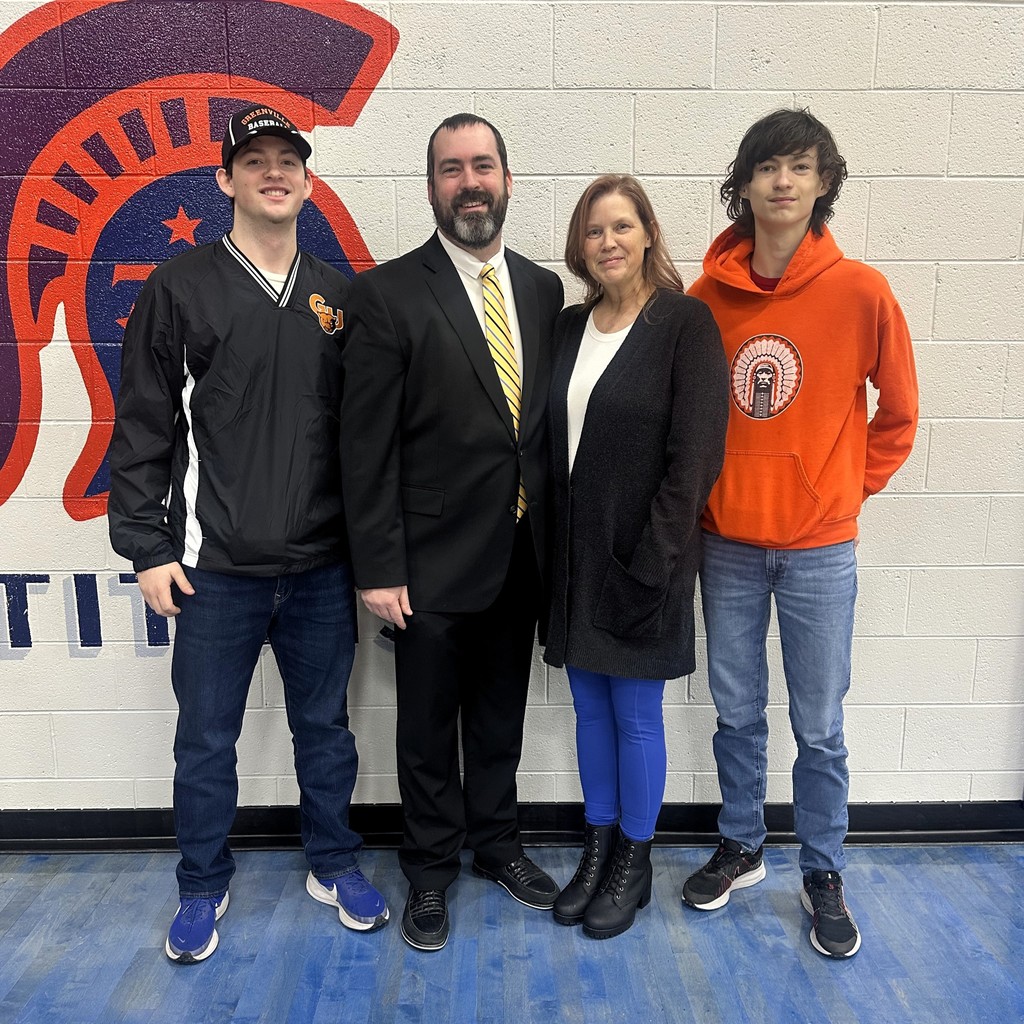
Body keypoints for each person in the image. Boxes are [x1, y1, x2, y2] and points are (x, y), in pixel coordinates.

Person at [108, 103, 388, 964]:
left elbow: (365, 441)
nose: (275, 172)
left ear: (307, 179)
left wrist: (371, 555)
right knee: (204, 739)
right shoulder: (180, 287)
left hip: (317, 570)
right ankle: (202, 882)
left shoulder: (337, 298)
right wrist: (147, 547)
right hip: (214, 571)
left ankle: (332, 861)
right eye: (254, 159)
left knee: (326, 731)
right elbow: (144, 427)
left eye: (289, 160)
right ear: (224, 179)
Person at [683, 109, 919, 958]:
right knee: (737, 712)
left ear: (824, 185)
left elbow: (900, 412)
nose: (783, 181)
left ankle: (822, 868)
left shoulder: (862, 292)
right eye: (767, 167)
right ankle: (742, 845)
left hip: (822, 549)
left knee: (819, 723)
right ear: (743, 185)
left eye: (800, 167)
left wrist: (844, 495)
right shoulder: (704, 298)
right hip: (730, 544)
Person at [339, 114, 565, 952]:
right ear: (431, 185)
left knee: (501, 720)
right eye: (450, 170)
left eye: (482, 166)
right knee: (428, 730)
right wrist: (378, 566)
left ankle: (497, 845)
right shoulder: (388, 293)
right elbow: (364, 445)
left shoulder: (543, 291)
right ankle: (430, 871)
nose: (469, 183)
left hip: (519, 556)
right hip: (425, 567)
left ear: (507, 177)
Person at [544, 175, 729, 940]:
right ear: (580, 247)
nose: (609, 242)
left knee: (635, 713)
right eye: (594, 231)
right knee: (589, 707)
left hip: (645, 555)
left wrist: (655, 562)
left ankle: (635, 860)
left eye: (622, 226)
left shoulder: (686, 324)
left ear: (648, 233)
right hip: (572, 558)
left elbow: (695, 459)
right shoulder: (568, 326)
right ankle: (597, 847)